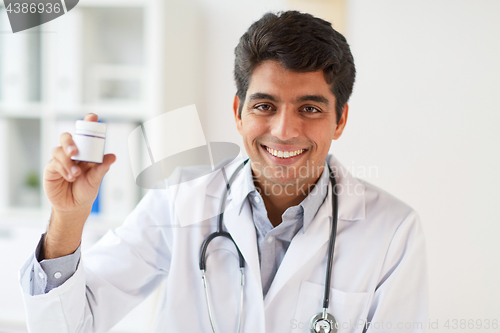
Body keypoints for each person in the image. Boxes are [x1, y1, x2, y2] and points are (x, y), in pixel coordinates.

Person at [20, 11, 428, 333]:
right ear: (238, 112)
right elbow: (67, 324)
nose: (284, 131)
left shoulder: (391, 231)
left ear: (339, 120)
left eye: (310, 108)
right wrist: (68, 220)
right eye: (264, 106)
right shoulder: (180, 201)